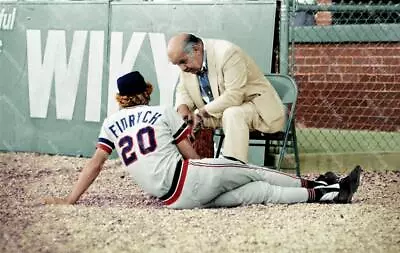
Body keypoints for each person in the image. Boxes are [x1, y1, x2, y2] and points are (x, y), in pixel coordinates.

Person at [42, 71, 362, 209]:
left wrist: (71, 199)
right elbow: (191, 155)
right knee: (253, 172)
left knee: (259, 193)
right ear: (146, 92)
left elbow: (95, 166)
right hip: (189, 176)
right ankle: (324, 184)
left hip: (174, 201)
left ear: (120, 98)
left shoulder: (110, 122)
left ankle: (328, 196)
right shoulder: (161, 110)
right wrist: (216, 170)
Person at [167, 33, 285, 163]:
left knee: (232, 113)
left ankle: (233, 170)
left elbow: (234, 96)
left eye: (183, 62)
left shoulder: (227, 53)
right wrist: (182, 109)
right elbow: (183, 91)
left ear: (196, 49)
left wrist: (200, 113)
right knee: (185, 123)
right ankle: (195, 170)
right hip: (220, 113)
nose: (182, 68)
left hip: (260, 110)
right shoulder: (189, 65)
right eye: (178, 64)